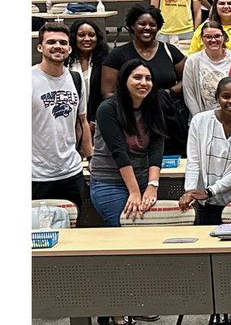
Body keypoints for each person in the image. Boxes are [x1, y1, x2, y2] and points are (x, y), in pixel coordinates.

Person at [100, 6, 187, 155]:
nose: (147, 28)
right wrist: (134, 102)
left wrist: (167, 94)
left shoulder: (170, 51)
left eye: (152, 25)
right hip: (133, 121)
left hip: (167, 120)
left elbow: (187, 80)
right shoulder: (117, 55)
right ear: (132, 26)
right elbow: (107, 92)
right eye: (142, 24)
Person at [89, 59, 164, 226]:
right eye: (137, 77)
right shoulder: (107, 108)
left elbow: (156, 146)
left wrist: (153, 185)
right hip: (110, 181)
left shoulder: (152, 105)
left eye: (148, 78)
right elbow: (119, 151)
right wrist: (134, 191)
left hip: (143, 179)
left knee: (147, 231)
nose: (143, 83)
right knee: (123, 228)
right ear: (124, 80)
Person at [179, 76, 231, 225]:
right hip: (206, 203)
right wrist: (190, 191)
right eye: (225, 96)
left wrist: (210, 191)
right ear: (217, 97)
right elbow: (193, 161)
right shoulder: (199, 121)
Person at [32, 23, 93, 208]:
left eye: (63, 42)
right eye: (51, 42)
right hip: (35, 175)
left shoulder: (76, 79)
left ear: (69, 48)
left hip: (71, 172)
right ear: (40, 47)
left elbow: (82, 122)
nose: (57, 46)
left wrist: (90, 158)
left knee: (73, 230)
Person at [182, 21, 231, 116]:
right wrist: (200, 120)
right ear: (202, 39)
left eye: (217, 36)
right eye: (208, 37)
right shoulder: (192, 61)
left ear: (223, 37)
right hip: (201, 118)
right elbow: (189, 94)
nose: (213, 40)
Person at [67, 19, 109, 120]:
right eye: (81, 35)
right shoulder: (65, 61)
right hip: (70, 117)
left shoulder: (106, 61)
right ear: (74, 38)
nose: (87, 39)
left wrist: (93, 120)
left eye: (91, 35)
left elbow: (106, 96)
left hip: (98, 118)